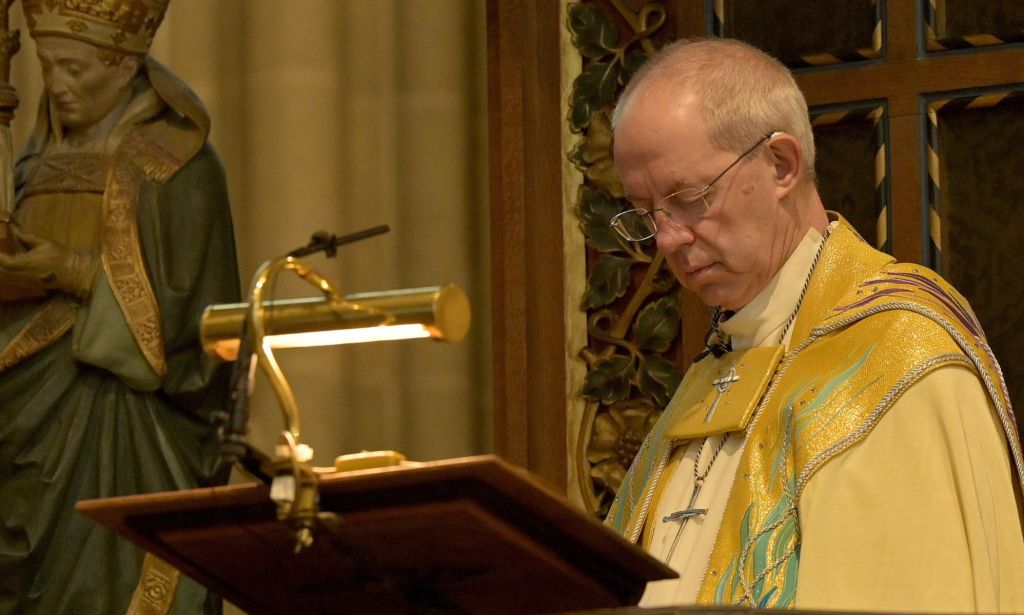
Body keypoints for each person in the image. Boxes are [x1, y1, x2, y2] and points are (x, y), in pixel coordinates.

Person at [605, 37, 1024, 612]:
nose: (667, 239)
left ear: (782, 164)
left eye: (690, 197)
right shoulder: (717, 366)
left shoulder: (894, 351)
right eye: (646, 212)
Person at [0, 1, 238, 613]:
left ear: (127, 64)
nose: (58, 86)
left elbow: (200, 330)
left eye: (77, 70)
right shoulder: (30, 162)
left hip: (120, 424)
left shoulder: (180, 170)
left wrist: (73, 273)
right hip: (23, 415)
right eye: (49, 67)